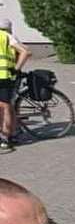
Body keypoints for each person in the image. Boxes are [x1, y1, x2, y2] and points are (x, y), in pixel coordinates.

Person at [0, 18, 31, 151]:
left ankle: (6, 137)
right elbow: (26, 51)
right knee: (7, 106)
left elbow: (25, 52)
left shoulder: (6, 37)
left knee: (5, 107)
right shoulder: (9, 36)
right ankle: (9, 135)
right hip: (7, 76)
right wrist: (16, 69)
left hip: (4, 77)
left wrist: (16, 69)